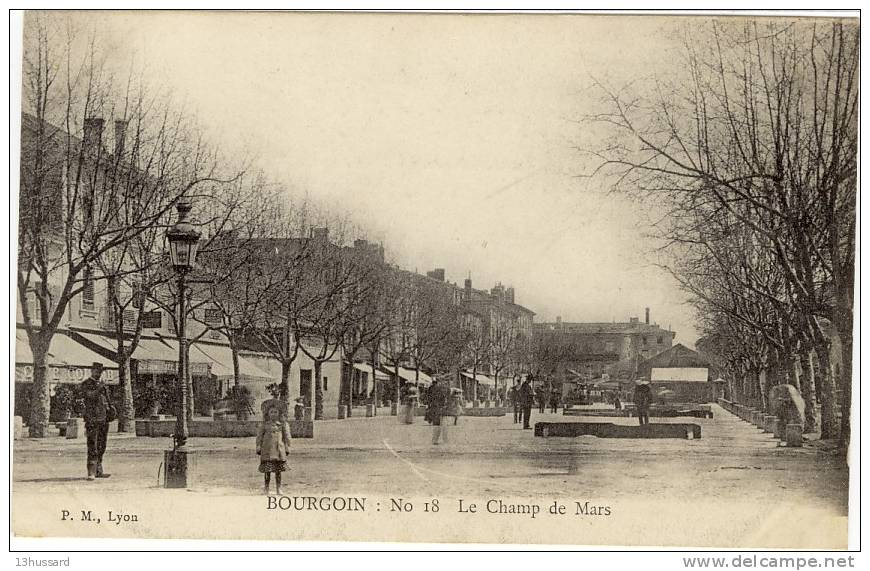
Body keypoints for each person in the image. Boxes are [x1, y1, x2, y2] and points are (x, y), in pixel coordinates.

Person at [79, 362, 115, 480]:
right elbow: (89, 396)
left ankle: (99, 470)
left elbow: (106, 400)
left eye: (100, 371)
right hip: (92, 419)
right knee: (92, 445)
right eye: (96, 371)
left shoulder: (103, 385)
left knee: (102, 445)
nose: (98, 373)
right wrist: (99, 388)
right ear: (92, 371)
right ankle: (91, 472)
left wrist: (110, 408)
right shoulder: (86, 384)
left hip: (103, 419)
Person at [256, 401, 291, 495]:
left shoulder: (282, 425)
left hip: (279, 450)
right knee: (267, 471)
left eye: (275, 412)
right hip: (267, 450)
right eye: (271, 412)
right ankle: (266, 488)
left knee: (278, 471)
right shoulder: (264, 425)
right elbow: (259, 436)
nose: (273, 414)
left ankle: (278, 488)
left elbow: (287, 437)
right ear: (268, 413)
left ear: (279, 413)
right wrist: (258, 446)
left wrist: (287, 447)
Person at [427, 377, 452, 444]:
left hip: (436, 408)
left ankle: (435, 440)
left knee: (438, 424)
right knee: (443, 424)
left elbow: (429, 399)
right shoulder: (446, 389)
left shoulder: (433, 388)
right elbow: (448, 399)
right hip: (441, 409)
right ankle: (444, 440)